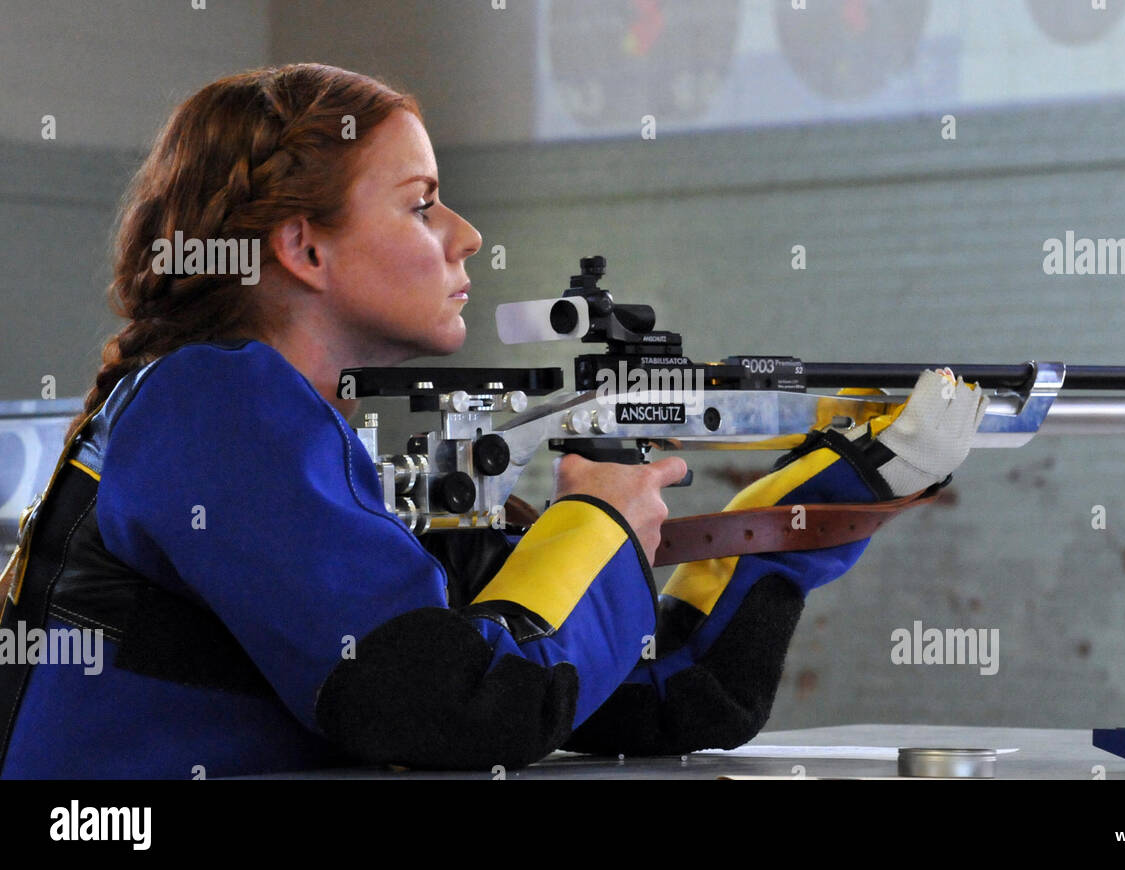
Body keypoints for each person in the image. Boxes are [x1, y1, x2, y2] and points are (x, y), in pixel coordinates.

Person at [0, 64, 987, 778]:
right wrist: (592, 521)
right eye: (422, 204)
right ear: (303, 247)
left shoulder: (284, 441)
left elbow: (676, 695)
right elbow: (462, 707)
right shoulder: (214, 405)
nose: (467, 236)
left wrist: (835, 491)